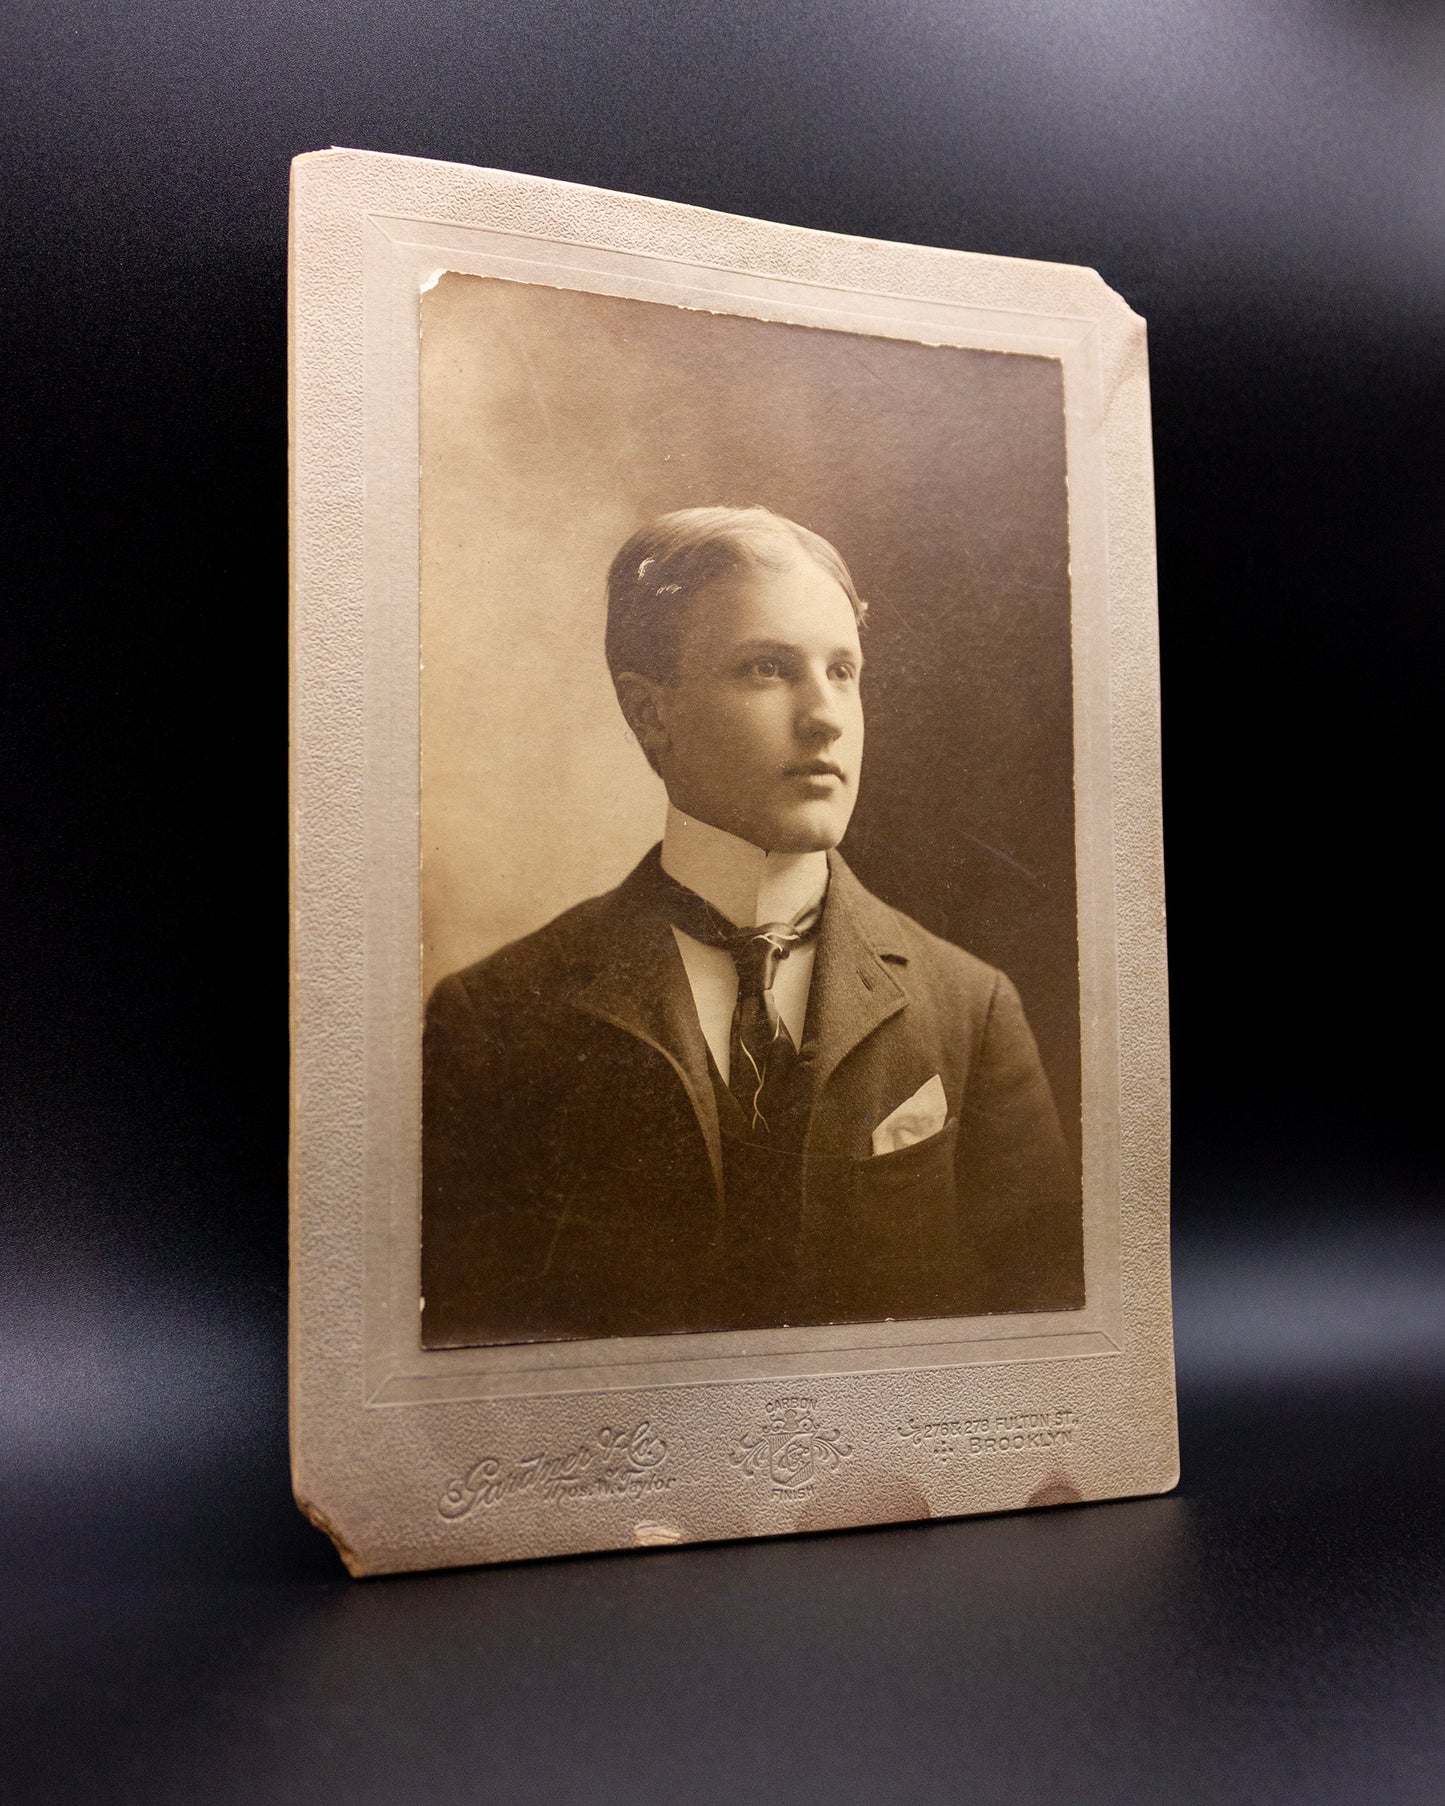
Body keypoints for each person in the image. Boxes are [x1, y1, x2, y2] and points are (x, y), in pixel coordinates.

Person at [421, 506, 1082, 1348]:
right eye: (768, 668)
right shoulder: (494, 1017)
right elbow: (470, 1354)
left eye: (843, 671)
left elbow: (1041, 1324)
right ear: (649, 713)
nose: (826, 717)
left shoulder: (971, 1007)